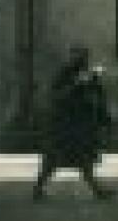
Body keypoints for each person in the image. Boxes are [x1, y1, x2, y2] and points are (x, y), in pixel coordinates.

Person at [32, 44, 113, 199]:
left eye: (84, 56)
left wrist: (104, 117)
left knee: (84, 158)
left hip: (82, 124)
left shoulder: (90, 75)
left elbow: (99, 96)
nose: (82, 60)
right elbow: (56, 96)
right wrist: (76, 84)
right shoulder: (64, 74)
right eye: (78, 56)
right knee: (53, 159)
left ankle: (97, 190)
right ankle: (38, 188)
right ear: (72, 57)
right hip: (65, 123)